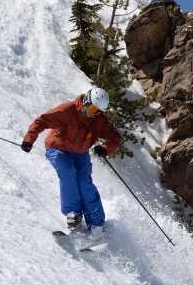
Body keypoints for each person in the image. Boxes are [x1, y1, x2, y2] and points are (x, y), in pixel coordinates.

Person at [21, 88, 123, 232]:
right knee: (68, 171)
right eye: (93, 108)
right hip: (58, 148)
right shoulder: (67, 110)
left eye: (98, 111)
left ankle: (96, 224)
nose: (94, 113)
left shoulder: (98, 121)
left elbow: (117, 138)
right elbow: (42, 121)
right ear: (86, 101)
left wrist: (105, 148)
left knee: (84, 181)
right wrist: (29, 140)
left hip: (81, 153)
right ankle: (73, 213)